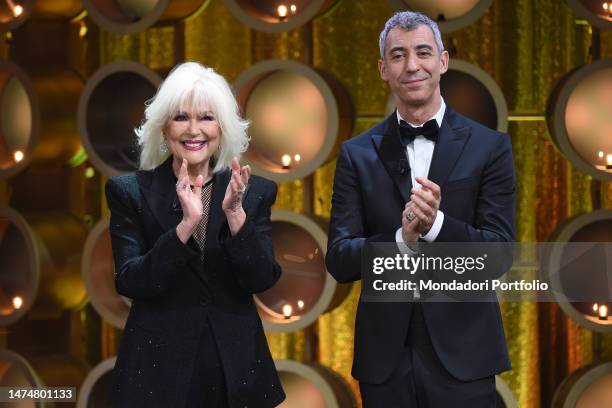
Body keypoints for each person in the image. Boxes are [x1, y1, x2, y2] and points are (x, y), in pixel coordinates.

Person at [325, 11, 515, 408]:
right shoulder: (357, 154)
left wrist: (436, 225)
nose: (412, 65)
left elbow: (498, 255)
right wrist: (400, 240)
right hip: (385, 359)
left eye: (423, 52)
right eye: (398, 55)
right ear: (382, 69)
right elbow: (340, 260)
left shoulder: (489, 147)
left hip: (464, 355)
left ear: (442, 62)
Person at [105, 62, 286, 408]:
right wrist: (184, 228)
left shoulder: (253, 192)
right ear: (163, 127)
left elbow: (261, 278)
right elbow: (130, 281)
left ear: (223, 127)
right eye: (180, 117)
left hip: (235, 370)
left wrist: (236, 217)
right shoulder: (130, 192)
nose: (193, 131)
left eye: (206, 117)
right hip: (157, 371)